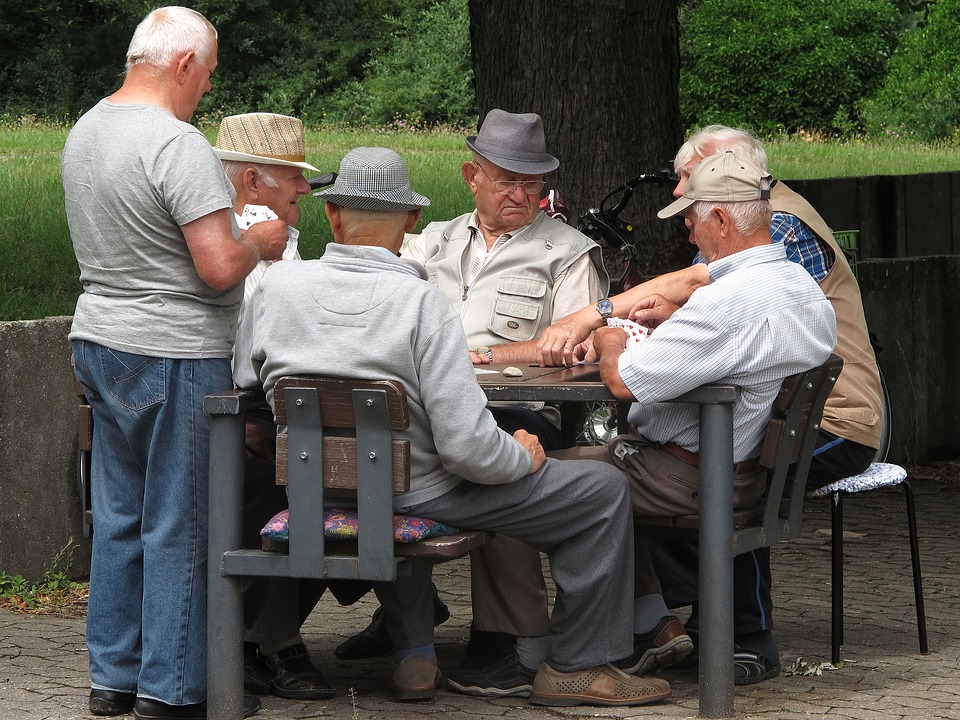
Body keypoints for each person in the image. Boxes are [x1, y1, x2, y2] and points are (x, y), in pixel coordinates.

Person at [233, 145, 672, 708]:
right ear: (412, 221)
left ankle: (416, 651)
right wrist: (523, 456)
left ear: (333, 216)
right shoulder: (421, 303)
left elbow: (246, 377)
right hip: (418, 491)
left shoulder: (275, 288)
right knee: (604, 489)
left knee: (406, 485)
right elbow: (468, 450)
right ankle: (577, 666)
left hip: (311, 486)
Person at [338, 109, 688, 698]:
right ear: (472, 176)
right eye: (506, 179)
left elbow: (582, 348)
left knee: (498, 458)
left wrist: (502, 355)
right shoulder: (431, 241)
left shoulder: (569, 251)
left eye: (532, 182)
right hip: (431, 419)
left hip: (524, 412)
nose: (520, 193)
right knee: (433, 453)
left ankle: (514, 643)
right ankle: (435, 634)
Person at [63, 8, 288, 720]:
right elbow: (219, 265)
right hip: (174, 350)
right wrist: (264, 238)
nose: (207, 88)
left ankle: (114, 678)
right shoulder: (177, 143)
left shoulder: (85, 129)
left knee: (120, 516)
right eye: (210, 72)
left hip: (99, 338)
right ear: (185, 63)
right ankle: (175, 687)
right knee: (182, 521)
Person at [553, 150, 839, 688]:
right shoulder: (800, 286)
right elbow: (740, 348)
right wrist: (680, 322)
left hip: (693, 477)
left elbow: (623, 382)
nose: (687, 232)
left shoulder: (728, 302)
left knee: (536, 480)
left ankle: (553, 652)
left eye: (690, 218)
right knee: (591, 467)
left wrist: (611, 334)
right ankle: (649, 627)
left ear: (723, 221)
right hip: (751, 469)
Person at [213, 111, 342, 702]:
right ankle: (269, 642)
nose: (304, 189)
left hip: (261, 408)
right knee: (306, 483)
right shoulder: (246, 238)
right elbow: (253, 349)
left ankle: (256, 641)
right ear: (252, 184)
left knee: (338, 474)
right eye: (293, 176)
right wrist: (257, 422)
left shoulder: (272, 239)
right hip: (230, 411)